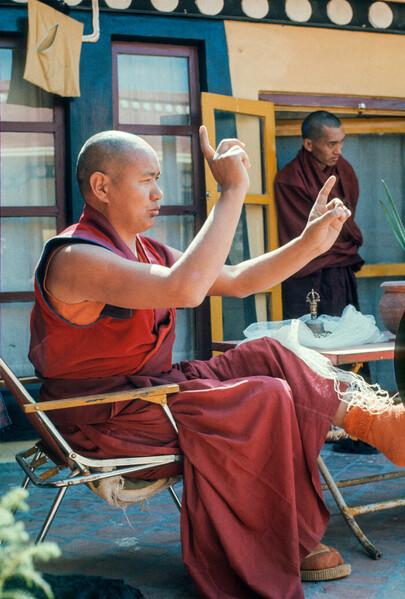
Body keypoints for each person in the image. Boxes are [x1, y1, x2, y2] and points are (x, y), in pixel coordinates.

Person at [29, 129, 405, 599]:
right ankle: (281, 542)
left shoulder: (144, 251)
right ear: (102, 187)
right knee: (262, 396)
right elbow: (184, 289)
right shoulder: (74, 258)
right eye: (147, 180)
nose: (159, 193)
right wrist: (231, 192)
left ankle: (384, 425)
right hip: (106, 413)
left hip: (150, 392)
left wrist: (310, 243)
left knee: (272, 354)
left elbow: (239, 280)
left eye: (158, 179)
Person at [274, 110, 363, 320]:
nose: (339, 150)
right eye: (331, 144)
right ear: (309, 144)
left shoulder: (345, 171)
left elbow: (346, 224)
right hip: (306, 273)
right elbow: (298, 233)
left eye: (341, 143)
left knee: (343, 334)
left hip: (340, 271)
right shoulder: (290, 180)